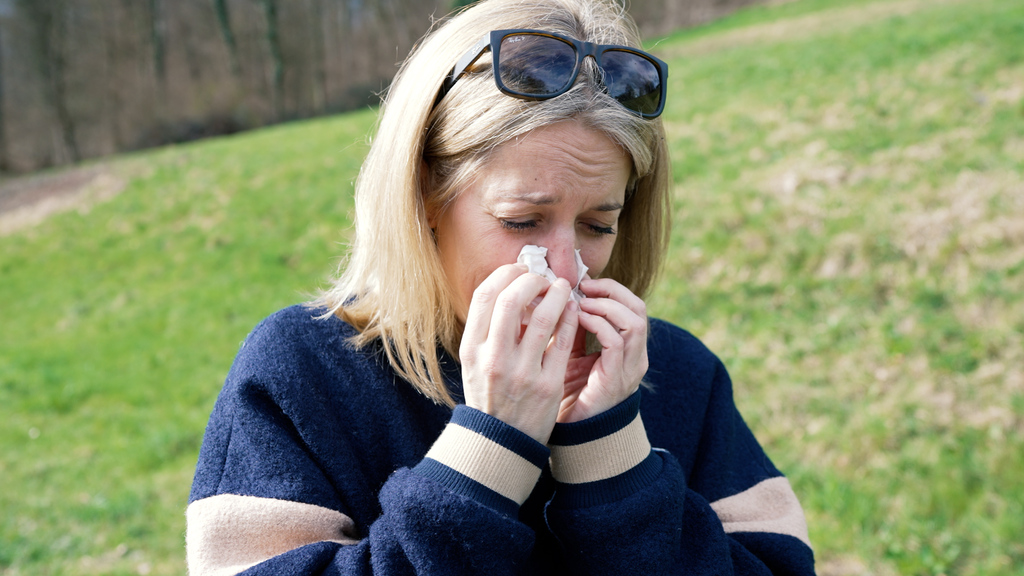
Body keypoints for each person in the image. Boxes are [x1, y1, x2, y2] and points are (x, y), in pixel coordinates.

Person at [186, 0, 817, 574]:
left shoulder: (678, 374)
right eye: (522, 221)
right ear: (425, 196)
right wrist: (488, 453)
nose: (567, 269)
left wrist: (612, 458)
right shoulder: (301, 373)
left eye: (599, 224)